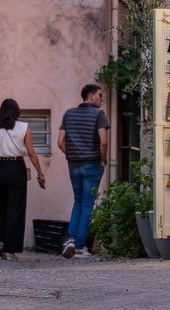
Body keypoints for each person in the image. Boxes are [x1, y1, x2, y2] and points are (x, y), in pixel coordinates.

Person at [0, 98, 46, 260]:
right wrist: (40, 173)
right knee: (15, 209)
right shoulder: (24, 127)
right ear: (16, 111)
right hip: (17, 168)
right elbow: (31, 152)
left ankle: (1, 240)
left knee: (2, 207)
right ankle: (10, 250)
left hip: (0, 168)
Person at [56, 83, 109, 258]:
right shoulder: (98, 114)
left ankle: (70, 240)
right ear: (91, 96)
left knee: (78, 201)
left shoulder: (69, 114)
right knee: (87, 205)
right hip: (92, 164)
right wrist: (102, 159)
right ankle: (79, 247)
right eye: (100, 96)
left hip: (74, 165)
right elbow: (103, 141)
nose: (102, 100)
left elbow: (59, 142)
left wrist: (70, 155)